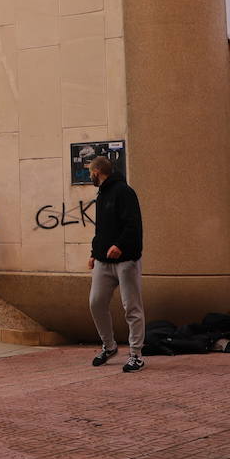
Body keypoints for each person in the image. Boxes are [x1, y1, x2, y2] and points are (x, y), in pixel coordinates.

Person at [87, 156, 146, 373]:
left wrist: (120, 245)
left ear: (98, 171)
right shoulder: (102, 193)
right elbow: (101, 229)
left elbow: (133, 224)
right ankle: (109, 346)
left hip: (126, 260)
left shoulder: (124, 192)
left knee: (131, 307)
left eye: (90, 172)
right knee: (96, 302)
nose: (89, 176)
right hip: (103, 260)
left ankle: (136, 355)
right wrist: (94, 253)